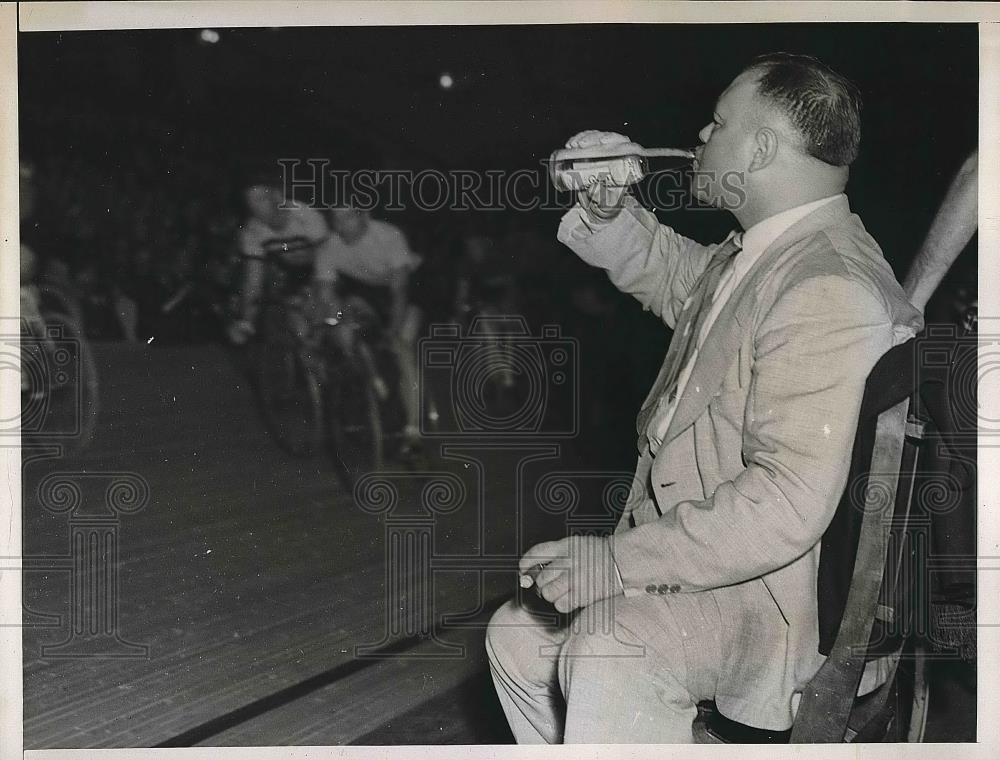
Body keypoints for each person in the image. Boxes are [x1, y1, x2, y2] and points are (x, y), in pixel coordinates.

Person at [486, 53, 924, 743]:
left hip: (779, 606)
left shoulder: (827, 287)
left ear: (760, 148)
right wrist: (606, 207)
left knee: (606, 643)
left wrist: (617, 563)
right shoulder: (773, 252)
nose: (699, 136)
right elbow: (675, 277)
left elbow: (784, 503)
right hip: (730, 576)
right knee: (520, 634)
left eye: (717, 122)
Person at [313, 206, 425, 450]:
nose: (340, 225)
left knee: (401, 347)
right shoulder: (329, 246)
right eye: (335, 219)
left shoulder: (388, 236)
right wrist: (331, 325)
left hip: (404, 291)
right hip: (366, 293)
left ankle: (414, 428)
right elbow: (326, 294)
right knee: (344, 328)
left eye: (347, 217)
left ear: (364, 216)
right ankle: (365, 386)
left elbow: (400, 293)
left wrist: (392, 333)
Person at [226, 171, 330, 345]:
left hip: (323, 269)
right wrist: (246, 321)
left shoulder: (307, 216)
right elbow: (254, 280)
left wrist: (319, 295)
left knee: (327, 318)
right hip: (292, 273)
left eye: (260, 199)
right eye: (250, 202)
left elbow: (327, 261)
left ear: (277, 196)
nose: (254, 207)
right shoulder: (252, 232)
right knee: (300, 327)